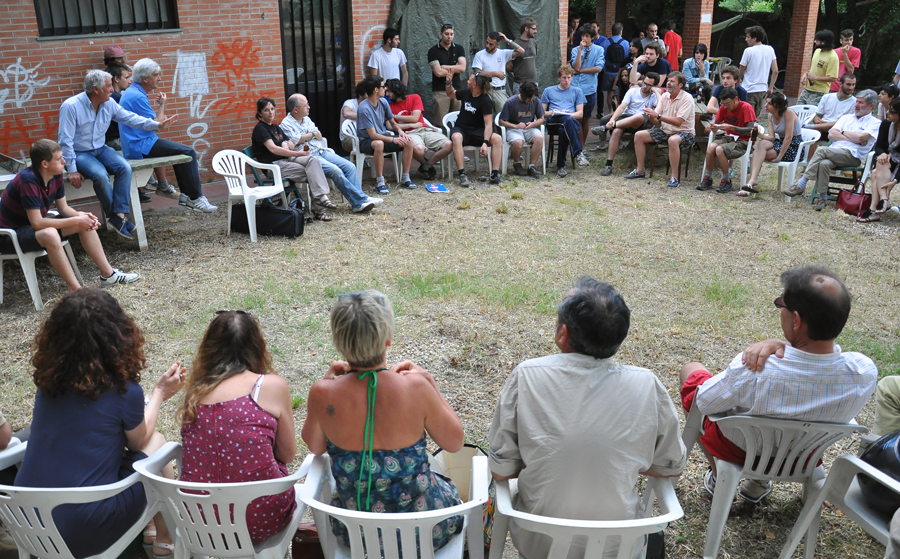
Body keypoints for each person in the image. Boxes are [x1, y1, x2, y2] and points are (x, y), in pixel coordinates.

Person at [488, 277, 686, 559]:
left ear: (563, 333)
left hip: (540, 546)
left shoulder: (527, 376)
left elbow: (500, 470)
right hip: (619, 548)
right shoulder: (647, 384)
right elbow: (671, 466)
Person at [680, 265, 877, 502]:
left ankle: (718, 475)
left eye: (781, 305)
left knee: (692, 371)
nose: (780, 310)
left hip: (740, 451)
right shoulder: (863, 373)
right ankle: (758, 484)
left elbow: (704, 402)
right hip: (802, 457)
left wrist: (780, 344)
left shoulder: (755, 369)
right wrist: (788, 345)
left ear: (796, 320)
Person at [16, 288, 184, 559]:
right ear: (118, 334)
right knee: (158, 443)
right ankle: (164, 541)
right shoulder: (124, 390)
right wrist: (160, 393)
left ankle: (155, 532)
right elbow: (139, 442)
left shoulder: (47, 385)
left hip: (27, 524)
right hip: (83, 531)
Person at [301, 290, 465, 551]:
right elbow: (455, 442)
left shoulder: (322, 394)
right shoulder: (416, 388)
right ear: (387, 339)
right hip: (423, 531)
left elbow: (315, 446)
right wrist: (429, 381)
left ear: (339, 344)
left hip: (357, 534)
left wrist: (326, 383)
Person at [179, 311, 298, 544]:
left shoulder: (193, 395)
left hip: (201, 522)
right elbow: (287, 455)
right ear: (257, 346)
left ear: (209, 349)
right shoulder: (269, 386)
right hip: (261, 520)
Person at [0, 139, 139, 290]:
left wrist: (82, 216)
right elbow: (37, 223)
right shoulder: (28, 181)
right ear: (44, 164)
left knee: (85, 221)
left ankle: (108, 275)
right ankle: (77, 290)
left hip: (30, 229)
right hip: (9, 235)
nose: (64, 161)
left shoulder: (56, 174)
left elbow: (64, 209)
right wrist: (77, 220)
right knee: (51, 234)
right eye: (59, 159)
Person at [58, 69, 173, 239]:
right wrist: (72, 168)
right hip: (79, 152)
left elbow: (131, 118)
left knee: (124, 167)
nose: (112, 89)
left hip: (101, 148)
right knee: (100, 175)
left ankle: (118, 215)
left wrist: (157, 125)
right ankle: (116, 217)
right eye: (109, 86)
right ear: (96, 89)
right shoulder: (71, 106)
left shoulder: (109, 103)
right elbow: (65, 140)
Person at [119, 58, 218, 213]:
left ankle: (188, 196)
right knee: (188, 152)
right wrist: (163, 105)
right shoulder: (137, 96)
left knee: (180, 152)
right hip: (140, 146)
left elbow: (158, 122)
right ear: (145, 78)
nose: (159, 78)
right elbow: (160, 124)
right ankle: (195, 198)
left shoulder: (135, 92)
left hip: (142, 142)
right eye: (156, 75)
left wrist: (161, 110)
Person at [280, 93, 382, 213]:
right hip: (309, 157)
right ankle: (360, 201)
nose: (309, 107)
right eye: (306, 105)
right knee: (335, 170)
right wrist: (311, 134)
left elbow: (318, 135)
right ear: (296, 109)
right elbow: (296, 140)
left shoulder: (306, 119)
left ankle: (360, 200)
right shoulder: (285, 124)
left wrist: (306, 137)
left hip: (321, 151)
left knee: (350, 166)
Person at [784, 90, 881, 211]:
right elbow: (831, 135)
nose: (856, 105)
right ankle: (822, 198)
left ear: (871, 106)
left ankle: (801, 184)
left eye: (860, 103)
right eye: (856, 102)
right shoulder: (846, 118)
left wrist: (843, 133)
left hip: (852, 156)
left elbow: (861, 137)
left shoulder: (875, 123)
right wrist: (853, 137)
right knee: (824, 163)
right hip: (834, 152)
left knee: (821, 150)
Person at [252, 97, 336, 221]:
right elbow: (273, 149)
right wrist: (296, 153)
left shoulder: (275, 127)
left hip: (287, 160)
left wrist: (287, 144)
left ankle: (322, 198)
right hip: (274, 166)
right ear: (260, 113)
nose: (270, 112)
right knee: (313, 173)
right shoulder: (260, 129)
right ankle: (320, 209)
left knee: (313, 160)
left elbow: (287, 142)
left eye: (272, 109)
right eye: (266, 110)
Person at [627, 71, 695, 188]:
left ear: (680, 85)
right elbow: (656, 121)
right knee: (639, 135)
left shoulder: (687, 98)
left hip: (684, 132)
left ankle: (674, 178)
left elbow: (678, 121)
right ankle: (640, 170)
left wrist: (657, 115)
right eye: (668, 80)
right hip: (665, 130)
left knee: (673, 140)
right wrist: (651, 115)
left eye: (672, 81)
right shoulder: (664, 96)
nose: (668, 83)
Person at [356, 76, 417, 193]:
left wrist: (400, 133)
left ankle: (405, 178)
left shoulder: (383, 102)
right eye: (383, 87)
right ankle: (380, 182)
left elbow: (393, 122)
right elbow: (373, 135)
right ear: (376, 90)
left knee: (408, 141)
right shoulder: (364, 108)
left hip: (383, 136)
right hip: (366, 141)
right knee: (379, 144)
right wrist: (393, 140)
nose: (385, 89)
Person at [383, 79, 453, 181]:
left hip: (424, 130)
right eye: (385, 91)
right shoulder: (389, 106)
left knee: (449, 145)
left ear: (396, 89)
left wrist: (394, 116)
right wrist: (411, 125)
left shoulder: (415, 98)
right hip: (408, 133)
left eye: (389, 91)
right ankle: (426, 165)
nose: (386, 94)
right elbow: (390, 126)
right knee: (419, 150)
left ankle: (426, 166)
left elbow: (415, 117)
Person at [591, 72, 660, 176]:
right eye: (645, 83)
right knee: (616, 132)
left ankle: (605, 128)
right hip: (624, 118)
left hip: (639, 122)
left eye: (649, 85)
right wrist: (612, 120)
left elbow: (661, 104)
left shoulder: (653, 96)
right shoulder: (633, 91)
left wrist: (656, 91)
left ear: (653, 86)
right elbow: (622, 107)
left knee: (638, 116)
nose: (645, 86)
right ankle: (608, 165)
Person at [444, 73, 503, 186]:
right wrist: (448, 83)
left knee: (497, 138)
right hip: (462, 129)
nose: (467, 81)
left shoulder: (485, 100)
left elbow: (488, 124)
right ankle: (462, 174)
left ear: (474, 85)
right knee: (456, 137)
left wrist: (485, 142)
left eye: (469, 80)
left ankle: (495, 174)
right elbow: (450, 93)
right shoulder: (466, 93)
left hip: (477, 131)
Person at [696, 87, 757, 194]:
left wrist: (732, 128)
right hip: (729, 138)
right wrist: (713, 127)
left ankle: (726, 180)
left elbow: (751, 131)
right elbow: (716, 123)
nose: (725, 106)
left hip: (744, 142)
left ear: (736, 99)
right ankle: (708, 177)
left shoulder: (746, 107)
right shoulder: (724, 108)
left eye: (728, 103)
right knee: (711, 147)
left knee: (720, 149)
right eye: (722, 104)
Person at [741, 92, 801, 196]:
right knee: (761, 144)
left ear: (778, 106)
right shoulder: (770, 115)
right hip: (780, 142)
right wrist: (760, 135)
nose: (765, 105)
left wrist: (779, 158)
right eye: (766, 102)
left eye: (769, 103)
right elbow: (772, 137)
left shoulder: (788, 113)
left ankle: (751, 182)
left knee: (757, 154)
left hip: (793, 146)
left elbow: (788, 138)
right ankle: (752, 180)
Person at [541, 64, 590, 177]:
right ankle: (578, 153)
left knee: (564, 129)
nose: (566, 80)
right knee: (567, 121)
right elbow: (542, 113)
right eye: (564, 77)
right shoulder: (548, 90)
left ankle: (561, 166)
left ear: (572, 77)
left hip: (569, 121)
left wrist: (567, 114)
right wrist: (554, 112)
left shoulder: (577, 91)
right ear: (559, 78)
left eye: (569, 77)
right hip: (554, 120)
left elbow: (580, 114)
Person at [857, 98, 900, 223]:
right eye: (888, 109)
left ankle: (873, 210)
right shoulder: (886, 124)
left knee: (876, 172)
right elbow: (879, 147)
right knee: (881, 161)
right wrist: (882, 154)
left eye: (892, 111)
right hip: (891, 159)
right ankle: (884, 200)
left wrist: (895, 180)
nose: (887, 112)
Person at [805, 73, 857, 161]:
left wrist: (818, 125)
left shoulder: (854, 102)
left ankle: (810, 127)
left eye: (853, 85)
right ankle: (809, 162)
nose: (851, 87)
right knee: (813, 134)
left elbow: (842, 122)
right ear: (840, 84)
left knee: (820, 129)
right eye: (848, 84)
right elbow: (817, 115)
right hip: (821, 128)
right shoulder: (827, 97)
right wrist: (817, 120)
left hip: (838, 131)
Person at [472, 31, 524, 117]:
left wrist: (507, 40)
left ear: (497, 44)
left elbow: (521, 51)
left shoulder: (503, 53)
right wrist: (495, 73)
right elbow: (477, 73)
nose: (487, 46)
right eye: (487, 42)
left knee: (504, 117)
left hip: (500, 91)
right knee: (484, 117)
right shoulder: (480, 55)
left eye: (491, 44)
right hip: (485, 90)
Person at [498, 81, 545, 177]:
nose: (531, 100)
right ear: (523, 94)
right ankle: (517, 163)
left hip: (529, 127)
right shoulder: (511, 102)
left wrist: (532, 124)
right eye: (529, 98)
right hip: (514, 128)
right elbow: (501, 121)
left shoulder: (535, 100)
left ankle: (531, 166)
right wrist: (515, 126)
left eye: (532, 98)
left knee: (539, 138)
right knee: (518, 142)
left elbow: (541, 119)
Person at [427, 23, 467, 127]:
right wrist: (455, 67)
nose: (449, 37)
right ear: (441, 34)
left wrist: (445, 66)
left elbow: (463, 68)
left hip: (456, 90)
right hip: (440, 91)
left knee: (458, 122)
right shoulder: (433, 51)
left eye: (451, 34)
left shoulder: (459, 49)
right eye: (446, 34)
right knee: (440, 123)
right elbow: (438, 72)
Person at [571, 24, 604, 146]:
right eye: (582, 36)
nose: (584, 38)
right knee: (577, 118)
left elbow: (598, 68)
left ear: (592, 37)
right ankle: (576, 144)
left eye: (587, 36)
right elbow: (576, 67)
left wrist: (581, 71)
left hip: (589, 89)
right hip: (575, 88)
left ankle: (582, 146)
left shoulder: (599, 50)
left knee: (585, 119)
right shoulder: (575, 50)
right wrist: (580, 50)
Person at [739, 26, 778, 118]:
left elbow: (742, 68)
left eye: (748, 37)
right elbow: (775, 71)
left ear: (754, 39)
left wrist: (738, 79)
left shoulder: (748, 51)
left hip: (749, 89)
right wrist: (771, 87)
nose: (746, 39)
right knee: (755, 116)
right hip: (762, 89)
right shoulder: (770, 49)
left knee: (747, 116)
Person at [797, 30, 839, 107]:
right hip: (807, 89)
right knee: (797, 110)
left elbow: (833, 78)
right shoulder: (817, 51)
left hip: (819, 92)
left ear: (823, 42)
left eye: (817, 40)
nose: (815, 41)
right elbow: (814, 68)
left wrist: (815, 78)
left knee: (811, 112)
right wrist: (806, 74)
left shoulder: (833, 57)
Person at [601, 23, 631, 118]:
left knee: (609, 93)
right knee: (619, 93)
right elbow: (627, 57)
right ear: (621, 31)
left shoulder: (606, 42)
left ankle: (609, 112)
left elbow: (602, 57)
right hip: (621, 72)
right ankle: (618, 112)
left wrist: (604, 68)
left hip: (608, 72)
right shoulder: (625, 43)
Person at [509, 18, 538, 94]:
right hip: (520, 84)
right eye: (533, 29)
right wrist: (517, 70)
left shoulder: (533, 42)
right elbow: (507, 65)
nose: (536, 31)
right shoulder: (515, 44)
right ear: (526, 29)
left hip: (534, 83)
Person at [340, 80, 369, 153]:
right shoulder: (350, 102)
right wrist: (365, 115)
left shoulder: (370, 105)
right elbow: (346, 113)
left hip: (364, 135)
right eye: (368, 93)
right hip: (348, 138)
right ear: (361, 95)